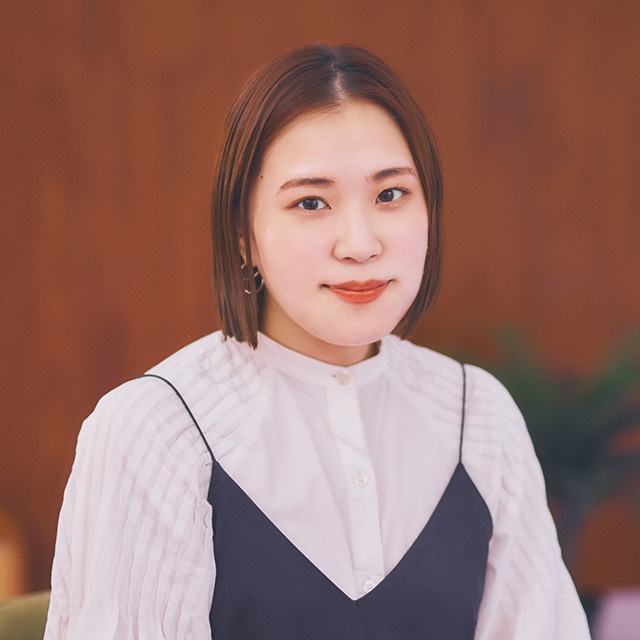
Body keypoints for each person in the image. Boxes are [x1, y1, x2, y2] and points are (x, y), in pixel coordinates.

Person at [44, 44, 591, 639]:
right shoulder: (158, 430)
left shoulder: (478, 416)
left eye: (390, 194)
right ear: (243, 233)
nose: (359, 244)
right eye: (310, 202)